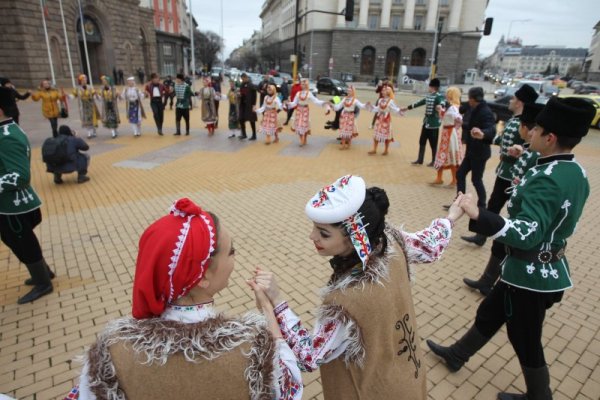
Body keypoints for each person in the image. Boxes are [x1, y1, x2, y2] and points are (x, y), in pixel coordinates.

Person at [427, 97, 595, 400]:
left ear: (550, 137)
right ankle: (457, 354)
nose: (529, 132)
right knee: (490, 311)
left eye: (536, 129)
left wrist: (481, 216)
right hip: (539, 269)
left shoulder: (548, 178)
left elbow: (527, 233)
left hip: (530, 277)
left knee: (525, 337)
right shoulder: (574, 171)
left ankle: (539, 396)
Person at [253, 175, 465, 399]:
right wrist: (451, 217)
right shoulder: (389, 240)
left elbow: (309, 355)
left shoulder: (346, 301)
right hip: (409, 376)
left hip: (372, 390)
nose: (312, 236)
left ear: (355, 237)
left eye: (323, 233)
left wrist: (275, 302)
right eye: (315, 228)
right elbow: (429, 243)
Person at [70, 197, 303, 399]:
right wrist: (269, 312)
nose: (235, 258)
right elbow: (290, 388)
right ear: (202, 277)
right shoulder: (252, 347)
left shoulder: (111, 353)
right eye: (231, 251)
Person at [462, 102, 545, 296]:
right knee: (500, 240)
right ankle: (488, 281)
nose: (530, 133)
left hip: (520, 214)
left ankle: (492, 282)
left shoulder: (537, 155)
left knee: (505, 242)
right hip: (513, 202)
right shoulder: (529, 149)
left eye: (534, 130)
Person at [462, 84, 539, 247]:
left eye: (513, 98)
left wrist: (520, 151)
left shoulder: (527, 123)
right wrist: (483, 136)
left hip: (515, 174)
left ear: (519, 102)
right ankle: (481, 236)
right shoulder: (514, 120)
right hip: (504, 172)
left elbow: (532, 146)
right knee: (493, 205)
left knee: (512, 209)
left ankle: (504, 240)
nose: (510, 101)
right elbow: (503, 141)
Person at [0, 87, 54, 304]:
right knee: (14, 239)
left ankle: (43, 282)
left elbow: (20, 176)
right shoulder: (6, 131)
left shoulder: (7, 136)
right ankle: (43, 272)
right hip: (10, 204)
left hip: (14, 205)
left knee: (22, 241)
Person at [447, 87, 496, 211]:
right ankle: (459, 202)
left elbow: (491, 130)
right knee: (460, 173)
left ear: (474, 99)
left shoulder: (485, 111)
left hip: (480, 152)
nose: (468, 101)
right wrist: (462, 123)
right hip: (471, 151)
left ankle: (482, 206)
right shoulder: (474, 108)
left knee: (476, 179)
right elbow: (472, 125)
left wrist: (482, 133)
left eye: (469, 98)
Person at [403, 78, 445, 166]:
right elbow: (419, 103)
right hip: (426, 122)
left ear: (432, 87)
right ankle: (420, 159)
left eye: (429, 86)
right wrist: (407, 108)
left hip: (433, 124)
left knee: (433, 143)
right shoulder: (429, 96)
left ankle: (434, 161)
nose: (428, 88)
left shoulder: (439, 96)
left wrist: (440, 107)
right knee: (422, 141)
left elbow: (442, 103)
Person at [431, 86, 463, 186]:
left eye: (448, 93)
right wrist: (440, 109)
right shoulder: (447, 105)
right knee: (443, 154)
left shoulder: (453, 107)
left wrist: (457, 122)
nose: (446, 95)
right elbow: (443, 117)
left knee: (451, 155)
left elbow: (458, 117)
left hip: (450, 133)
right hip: (446, 132)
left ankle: (454, 179)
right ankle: (440, 178)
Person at [285, 78, 330, 147]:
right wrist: (288, 104)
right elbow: (294, 103)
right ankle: (302, 140)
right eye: (301, 84)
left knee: (304, 126)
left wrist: (324, 102)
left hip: (305, 111)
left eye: (304, 84)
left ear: (306, 85)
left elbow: (316, 101)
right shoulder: (298, 93)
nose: (302, 85)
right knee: (299, 125)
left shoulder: (309, 93)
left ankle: (305, 138)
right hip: (299, 110)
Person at [365, 85, 403, 155]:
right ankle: (374, 149)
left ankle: (386, 150)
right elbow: (377, 109)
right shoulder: (380, 100)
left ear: (388, 92)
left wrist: (401, 110)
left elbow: (395, 109)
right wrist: (370, 105)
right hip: (379, 119)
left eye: (384, 90)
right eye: (382, 90)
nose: (382, 92)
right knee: (376, 134)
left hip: (386, 120)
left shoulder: (390, 101)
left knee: (386, 135)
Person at [332, 86, 367, 150]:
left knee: (349, 130)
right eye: (348, 90)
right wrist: (333, 106)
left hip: (350, 116)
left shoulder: (355, 100)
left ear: (353, 92)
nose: (348, 91)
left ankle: (349, 144)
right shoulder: (345, 99)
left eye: (350, 90)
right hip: (344, 115)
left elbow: (361, 106)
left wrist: (367, 105)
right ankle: (343, 144)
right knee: (343, 130)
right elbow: (338, 106)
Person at [72, 74, 99, 138]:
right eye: (83, 80)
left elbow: (94, 94)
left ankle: (94, 131)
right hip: (83, 106)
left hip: (90, 105)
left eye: (85, 80)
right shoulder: (77, 88)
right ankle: (89, 133)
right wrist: (68, 97)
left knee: (93, 119)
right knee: (86, 119)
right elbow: (73, 95)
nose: (85, 81)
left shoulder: (90, 87)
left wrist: (96, 95)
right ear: (80, 81)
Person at [238, 72, 258, 140]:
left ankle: (254, 135)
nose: (243, 80)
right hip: (243, 105)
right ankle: (244, 134)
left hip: (249, 105)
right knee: (241, 119)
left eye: (243, 79)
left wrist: (254, 105)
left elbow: (255, 95)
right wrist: (240, 95)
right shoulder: (242, 85)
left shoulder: (251, 85)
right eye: (242, 79)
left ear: (246, 78)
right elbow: (241, 93)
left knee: (251, 120)